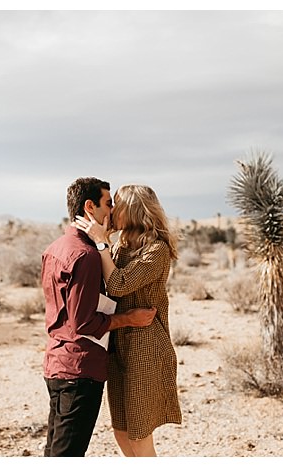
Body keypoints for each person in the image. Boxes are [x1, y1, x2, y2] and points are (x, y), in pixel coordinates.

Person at [41, 177, 157, 457]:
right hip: (80, 369)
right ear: (89, 206)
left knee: (55, 451)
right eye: (108, 203)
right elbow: (84, 323)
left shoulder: (55, 248)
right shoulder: (87, 255)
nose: (113, 211)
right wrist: (129, 318)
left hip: (56, 362)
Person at [74, 184, 182, 457]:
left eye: (116, 205)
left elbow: (119, 285)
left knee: (139, 433)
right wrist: (105, 240)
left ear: (131, 210)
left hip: (145, 347)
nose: (111, 210)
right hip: (119, 343)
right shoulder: (120, 246)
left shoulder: (156, 249)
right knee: (121, 432)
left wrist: (101, 243)